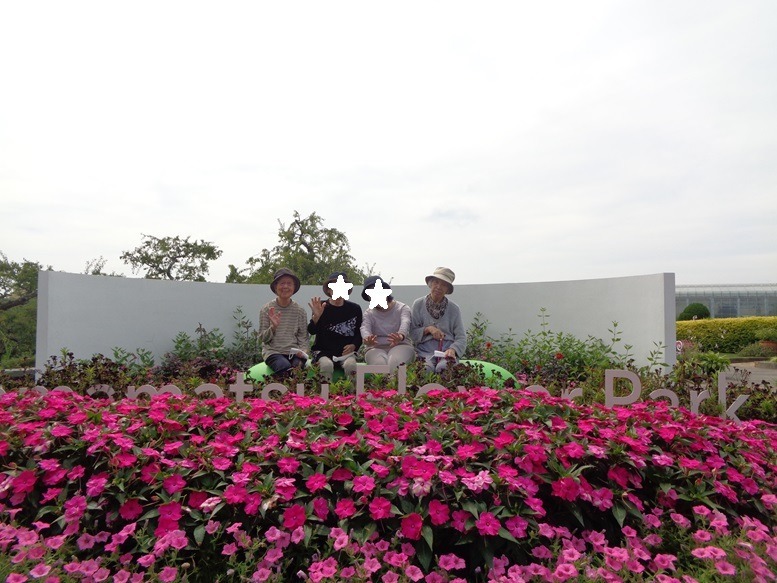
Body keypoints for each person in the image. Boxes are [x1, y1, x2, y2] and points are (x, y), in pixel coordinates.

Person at [308, 271, 363, 381]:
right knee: (326, 366)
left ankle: (352, 396)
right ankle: (324, 395)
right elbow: (311, 331)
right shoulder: (321, 306)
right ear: (329, 290)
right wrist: (316, 318)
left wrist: (353, 345)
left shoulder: (355, 309)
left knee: (351, 365)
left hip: (346, 353)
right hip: (323, 352)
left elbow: (359, 333)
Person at [410, 267, 466, 373]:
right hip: (424, 352)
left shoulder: (454, 309)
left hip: (446, 352)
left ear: (448, 289)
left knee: (444, 368)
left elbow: (461, 337)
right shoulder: (418, 304)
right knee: (425, 369)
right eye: (436, 282)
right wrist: (428, 329)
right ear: (430, 283)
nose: (439, 287)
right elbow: (412, 332)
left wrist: (453, 349)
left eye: (444, 285)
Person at [259, 268, 309, 376]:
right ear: (275, 287)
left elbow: (303, 337)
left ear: (294, 287)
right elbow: (263, 338)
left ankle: (297, 393)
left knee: (298, 369)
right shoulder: (267, 309)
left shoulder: (300, 311)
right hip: (273, 352)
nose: (285, 287)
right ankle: (274, 390)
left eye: (289, 283)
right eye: (282, 283)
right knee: (285, 367)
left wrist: (303, 351)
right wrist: (273, 327)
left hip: (294, 353)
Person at [361, 275, 415, 372]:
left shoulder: (402, 308)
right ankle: (381, 387)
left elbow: (405, 322)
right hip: (376, 348)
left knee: (394, 362)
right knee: (379, 364)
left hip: (401, 345)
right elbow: (365, 328)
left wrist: (400, 335)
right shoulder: (368, 313)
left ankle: (396, 387)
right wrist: (367, 339)